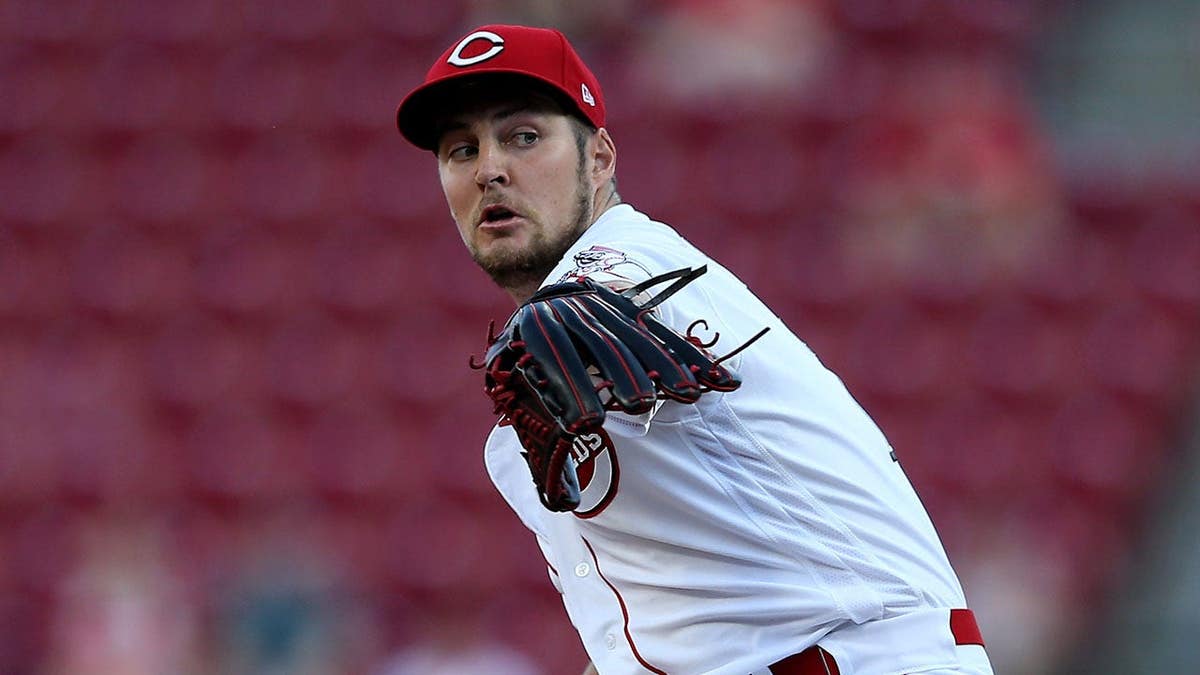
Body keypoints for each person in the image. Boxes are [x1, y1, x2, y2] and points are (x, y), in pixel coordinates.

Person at [395, 24, 995, 675]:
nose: (489, 168)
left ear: (599, 158)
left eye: (524, 136)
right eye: (461, 150)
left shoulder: (637, 267)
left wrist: (562, 323)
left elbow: (604, 304)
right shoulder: (537, 393)